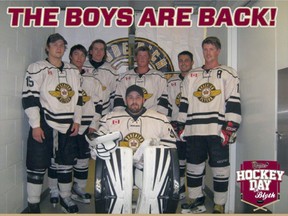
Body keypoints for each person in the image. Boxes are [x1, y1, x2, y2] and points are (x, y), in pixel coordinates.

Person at [89, 84, 177, 214]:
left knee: (150, 191)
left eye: (138, 97)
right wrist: (98, 147)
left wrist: (153, 148)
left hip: (148, 167)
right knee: (119, 190)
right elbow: (98, 141)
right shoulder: (111, 118)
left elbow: (171, 146)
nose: (134, 100)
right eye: (130, 97)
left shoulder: (160, 119)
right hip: (118, 168)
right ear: (125, 100)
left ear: (144, 99)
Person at [177, 36, 241, 214]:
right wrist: (181, 125)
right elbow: (184, 102)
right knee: (194, 167)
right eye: (205, 49)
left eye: (211, 49)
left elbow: (234, 102)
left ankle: (219, 203)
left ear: (218, 51)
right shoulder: (192, 75)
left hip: (216, 130)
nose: (208, 53)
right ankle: (196, 199)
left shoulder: (228, 73)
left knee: (220, 168)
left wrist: (229, 128)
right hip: (194, 130)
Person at [22, 33, 82, 213]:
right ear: (47, 47)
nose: (59, 47)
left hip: (67, 123)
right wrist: (35, 125)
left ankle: (65, 198)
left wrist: (77, 121)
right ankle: (33, 202)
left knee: (65, 164)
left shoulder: (73, 70)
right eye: (55, 44)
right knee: (37, 164)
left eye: (62, 45)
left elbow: (78, 99)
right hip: (44, 123)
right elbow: (29, 97)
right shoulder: (37, 68)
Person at [48, 44, 103, 206]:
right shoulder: (61, 75)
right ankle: (55, 190)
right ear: (70, 56)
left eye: (82, 55)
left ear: (86, 58)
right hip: (65, 126)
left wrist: (94, 124)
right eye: (76, 54)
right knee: (60, 159)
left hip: (86, 127)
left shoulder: (93, 80)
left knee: (82, 160)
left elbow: (99, 104)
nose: (79, 58)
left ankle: (78, 188)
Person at [167, 51, 194, 200]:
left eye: (186, 60)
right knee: (180, 160)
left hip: (194, 126)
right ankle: (181, 189)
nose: (183, 63)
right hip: (178, 127)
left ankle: (197, 192)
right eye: (181, 61)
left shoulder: (197, 78)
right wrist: (170, 123)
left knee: (195, 161)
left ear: (192, 62)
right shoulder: (171, 82)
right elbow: (169, 104)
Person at [113, 46, 169, 116]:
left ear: (149, 58)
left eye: (145, 56)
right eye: (140, 55)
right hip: (129, 117)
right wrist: (119, 116)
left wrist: (160, 117)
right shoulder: (124, 77)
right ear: (136, 58)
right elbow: (119, 98)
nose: (142, 58)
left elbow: (164, 98)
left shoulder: (159, 77)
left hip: (152, 117)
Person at [83, 39, 118, 116]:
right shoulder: (82, 67)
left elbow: (114, 94)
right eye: (96, 49)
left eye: (101, 49)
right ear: (91, 51)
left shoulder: (111, 70)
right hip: (84, 111)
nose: (99, 52)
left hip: (104, 111)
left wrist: (114, 112)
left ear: (105, 52)